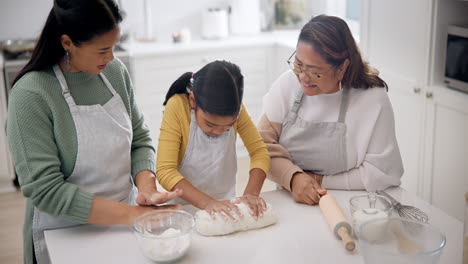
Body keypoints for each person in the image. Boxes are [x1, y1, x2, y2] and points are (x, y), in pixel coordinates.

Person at [6, 1, 181, 263]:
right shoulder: (31, 95)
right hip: (64, 233)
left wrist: (146, 189)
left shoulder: (114, 73)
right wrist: (132, 215)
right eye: (102, 50)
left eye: (113, 46)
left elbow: (139, 139)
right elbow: (46, 191)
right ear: (67, 43)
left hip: (126, 222)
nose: (110, 57)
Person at [257, 15, 404, 205]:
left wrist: (318, 180)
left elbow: (382, 173)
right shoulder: (287, 84)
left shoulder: (372, 99)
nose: (303, 77)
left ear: (343, 67)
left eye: (315, 72)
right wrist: (292, 178)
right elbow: (261, 147)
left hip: (352, 203)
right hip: (290, 200)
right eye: (298, 65)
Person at [157, 60, 271, 220]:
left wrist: (251, 194)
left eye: (227, 127)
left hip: (227, 203)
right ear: (193, 99)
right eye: (210, 124)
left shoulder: (237, 110)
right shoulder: (177, 107)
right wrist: (208, 203)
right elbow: (165, 171)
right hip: (185, 208)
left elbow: (259, 152)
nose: (217, 132)